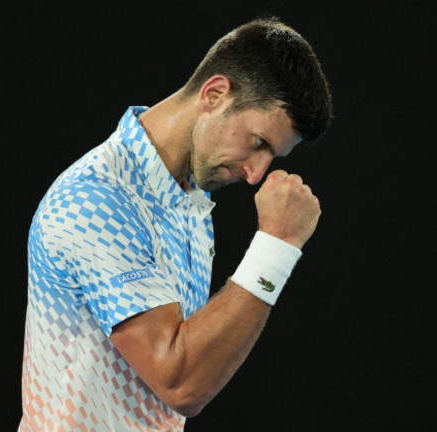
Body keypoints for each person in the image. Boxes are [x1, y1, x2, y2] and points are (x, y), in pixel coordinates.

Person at [18, 17, 333, 431]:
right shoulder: (95, 200)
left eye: (272, 157)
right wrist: (277, 245)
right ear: (215, 94)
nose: (257, 172)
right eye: (259, 143)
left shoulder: (189, 201)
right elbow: (181, 382)